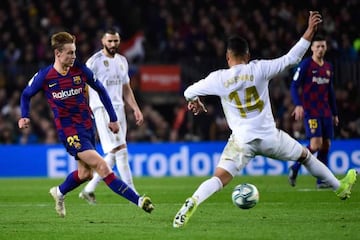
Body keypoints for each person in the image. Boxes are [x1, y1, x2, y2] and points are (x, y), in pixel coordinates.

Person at [172, 11, 356, 228]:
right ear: (247, 55)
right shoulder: (260, 69)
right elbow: (292, 58)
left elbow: (188, 91)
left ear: (228, 57)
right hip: (270, 137)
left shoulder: (218, 78)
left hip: (241, 141)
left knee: (219, 178)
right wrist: (309, 31)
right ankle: (339, 187)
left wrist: (196, 100)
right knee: (306, 156)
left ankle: (192, 202)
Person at [18, 31, 154, 218]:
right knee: (102, 166)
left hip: (87, 126)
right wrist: (24, 116)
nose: (74, 56)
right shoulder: (45, 76)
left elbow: (101, 90)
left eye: (74, 52)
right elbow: (26, 94)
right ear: (58, 54)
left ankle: (59, 191)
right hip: (68, 130)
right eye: (70, 53)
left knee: (85, 174)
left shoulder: (80, 70)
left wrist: (113, 118)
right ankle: (139, 200)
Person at [78, 28, 143, 204]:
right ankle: (133, 195)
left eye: (116, 41)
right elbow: (82, 86)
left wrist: (135, 108)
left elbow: (126, 88)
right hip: (102, 109)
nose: (113, 44)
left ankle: (89, 189)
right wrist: (84, 108)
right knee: (120, 149)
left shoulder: (122, 61)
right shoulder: (94, 62)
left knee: (114, 153)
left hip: (119, 109)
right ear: (103, 41)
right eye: (110, 41)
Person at [288, 35, 339, 188]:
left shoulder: (328, 67)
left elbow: (330, 92)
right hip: (311, 111)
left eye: (323, 46)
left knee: (326, 145)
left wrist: (335, 113)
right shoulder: (306, 65)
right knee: (315, 145)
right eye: (317, 46)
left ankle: (321, 180)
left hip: (326, 112)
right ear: (312, 48)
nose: (320, 49)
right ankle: (295, 167)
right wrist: (298, 105)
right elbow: (293, 86)